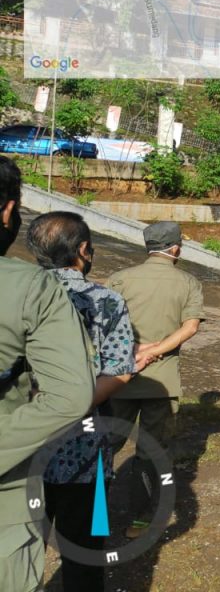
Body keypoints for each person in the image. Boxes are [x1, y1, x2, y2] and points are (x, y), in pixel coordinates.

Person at [25, 212, 144, 592]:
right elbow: (120, 371)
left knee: (16, 553)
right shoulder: (106, 301)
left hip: (19, 451)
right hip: (87, 456)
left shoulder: (15, 297)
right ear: (82, 250)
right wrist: (71, 405)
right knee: (85, 556)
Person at [0, 156, 94, 592]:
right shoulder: (39, 291)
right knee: (84, 531)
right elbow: (79, 391)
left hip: (37, 444)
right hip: (56, 445)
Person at [106, 221, 204, 538]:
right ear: (175, 248)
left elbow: (104, 325)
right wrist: (156, 351)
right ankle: (140, 520)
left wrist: (132, 349)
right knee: (151, 450)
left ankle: (90, 513)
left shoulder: (119, 280)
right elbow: (190, 327)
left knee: (105, 445)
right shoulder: (188, 282)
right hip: (161, 382)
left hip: (117, 379)